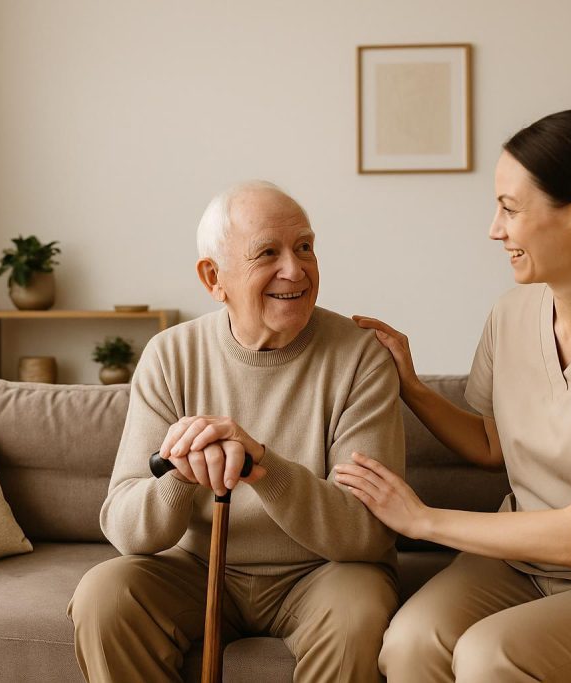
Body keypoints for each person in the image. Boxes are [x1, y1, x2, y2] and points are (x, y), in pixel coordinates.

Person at [336, 110, 571, 682]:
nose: (495, 229)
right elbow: (494, 442)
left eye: (511, 209)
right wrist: (412, 389)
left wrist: (420, 520)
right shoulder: (512, 312)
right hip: (518, 564)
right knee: (410, 643)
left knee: (492, 655)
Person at [69, 180, 405, 682]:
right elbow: (124, 527)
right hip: (200, 570)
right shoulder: (170, 355)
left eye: (305, 247)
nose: (295, 270)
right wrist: (180, 476)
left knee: (358, 611)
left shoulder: (361, 357)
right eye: (267, 253)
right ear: (214, 277)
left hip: (324, 573)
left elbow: (366, 531)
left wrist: (262, 466)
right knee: (104, 594)